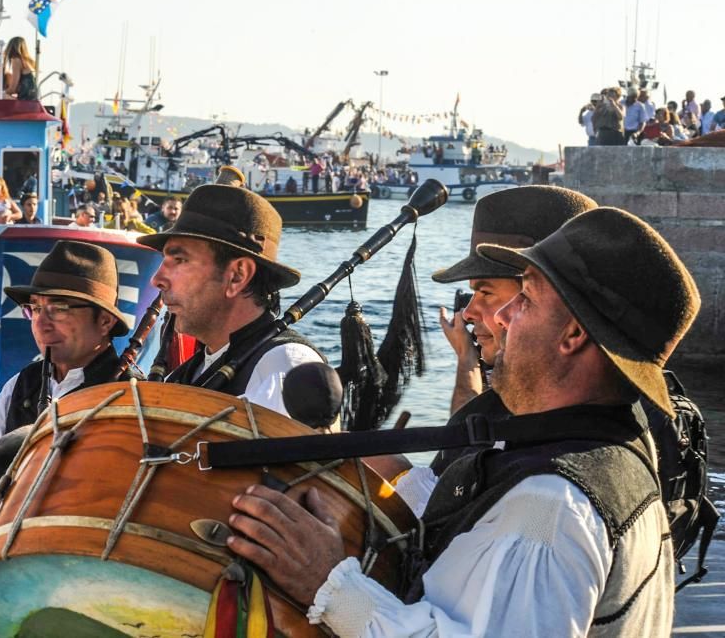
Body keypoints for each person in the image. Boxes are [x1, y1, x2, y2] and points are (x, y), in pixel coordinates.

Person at [226, 206, 699, 637]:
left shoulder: (551, 508)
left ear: (573, 334)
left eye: (526, 299)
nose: (501, 318)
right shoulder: (604, 453)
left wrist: (326, 580)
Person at [388, 186, 598, 513]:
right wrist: (467, 359)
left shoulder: (556, 489)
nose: (470, 313)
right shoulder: (534, 409)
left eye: (486, 293)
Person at [0, 241, 136, 563]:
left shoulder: (135, 397)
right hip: (8, 564)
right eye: (35, 308)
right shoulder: (21, 385)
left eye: (59, 308)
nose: (41, 323)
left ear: (104, 321)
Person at [137, 166, 324, 415]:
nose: (157, 280)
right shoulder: (186, 375)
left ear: (237, 276)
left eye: (180, 260)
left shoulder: (285, 368)